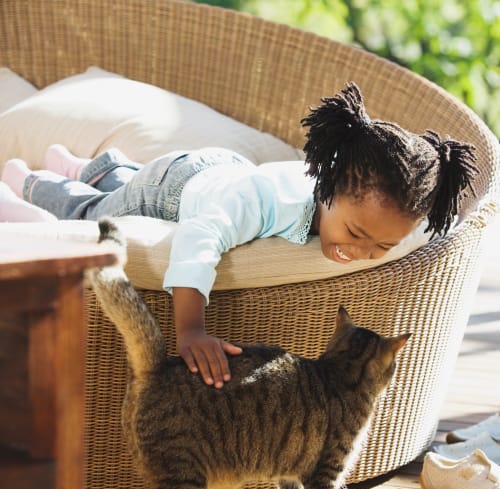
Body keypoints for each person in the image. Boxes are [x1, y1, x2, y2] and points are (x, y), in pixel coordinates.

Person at [0, 82, 478, 388]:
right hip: (179, 189)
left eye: (381, 248)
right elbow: (198, 239)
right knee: (98, 210)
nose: (361, 251)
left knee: (128, 180)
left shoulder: (360, 204)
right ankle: (34, 181)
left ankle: (90, 165)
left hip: (221, 173)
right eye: (356, 233)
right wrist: (190, 329)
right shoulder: (263, 206)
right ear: (328, 189)